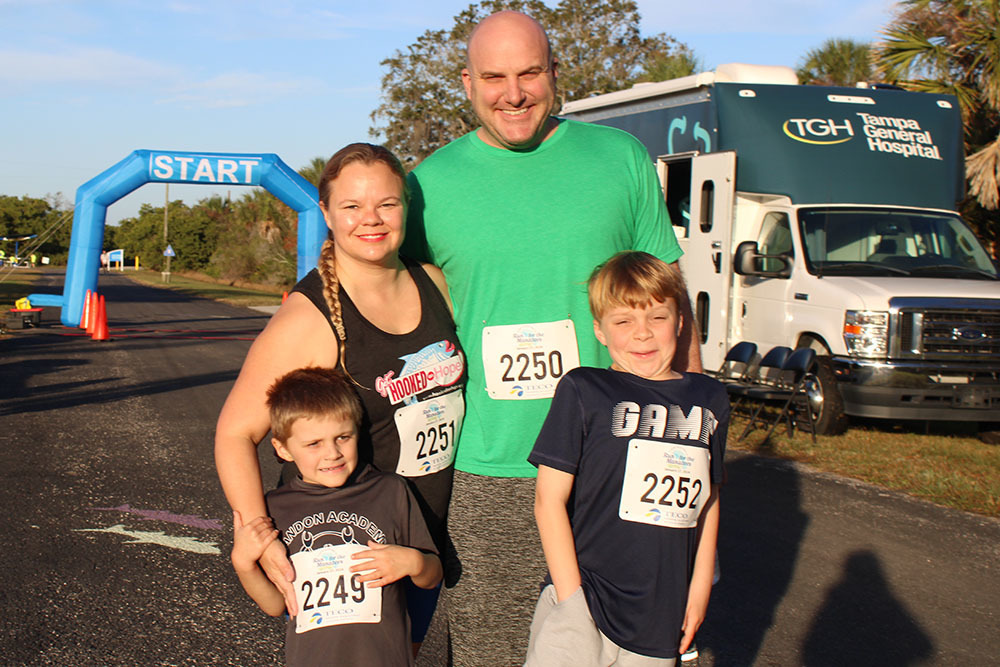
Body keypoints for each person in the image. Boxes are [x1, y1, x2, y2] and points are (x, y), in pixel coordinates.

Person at [402, 10, 702, 665]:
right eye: (494, 77)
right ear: (467, 83)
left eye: (529, 72)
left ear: (554, 73)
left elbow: (671, 301)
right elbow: (395, 309)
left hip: (618, 458)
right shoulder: (427, 186)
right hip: (492, 468)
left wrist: (695, 441)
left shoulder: (619, 159)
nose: (514, 93)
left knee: (631, 651)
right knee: (497, 652)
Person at [215, 143, 465, 650]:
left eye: (387, 204)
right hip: (349, 546)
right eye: (351, 206)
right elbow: (235, 432)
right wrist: (260, 535)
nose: (370, 219)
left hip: (420, 534)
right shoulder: (309, 317)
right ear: (326, 212)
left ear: (406, 209)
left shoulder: (434, 282)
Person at [525, 252, 728, 666]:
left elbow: (708, 501)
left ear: (681, 320)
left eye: (657, 317)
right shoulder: (584, 390)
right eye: (623, 321)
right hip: (586, 598)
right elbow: (549, 500)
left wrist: (700, 587)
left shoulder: (709, 399)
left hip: (659, 614)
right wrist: (571, 600)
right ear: (600, 330)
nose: (643, 335)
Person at [231, 367, 443, 666]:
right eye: (313, 444)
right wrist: (244, 565)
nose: (332, 453)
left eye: (343, 437)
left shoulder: (390, 491)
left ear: (357, 431)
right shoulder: (276, 509)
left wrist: (414, 562)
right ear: (283, 448)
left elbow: (432, 574)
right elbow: (276, 604)